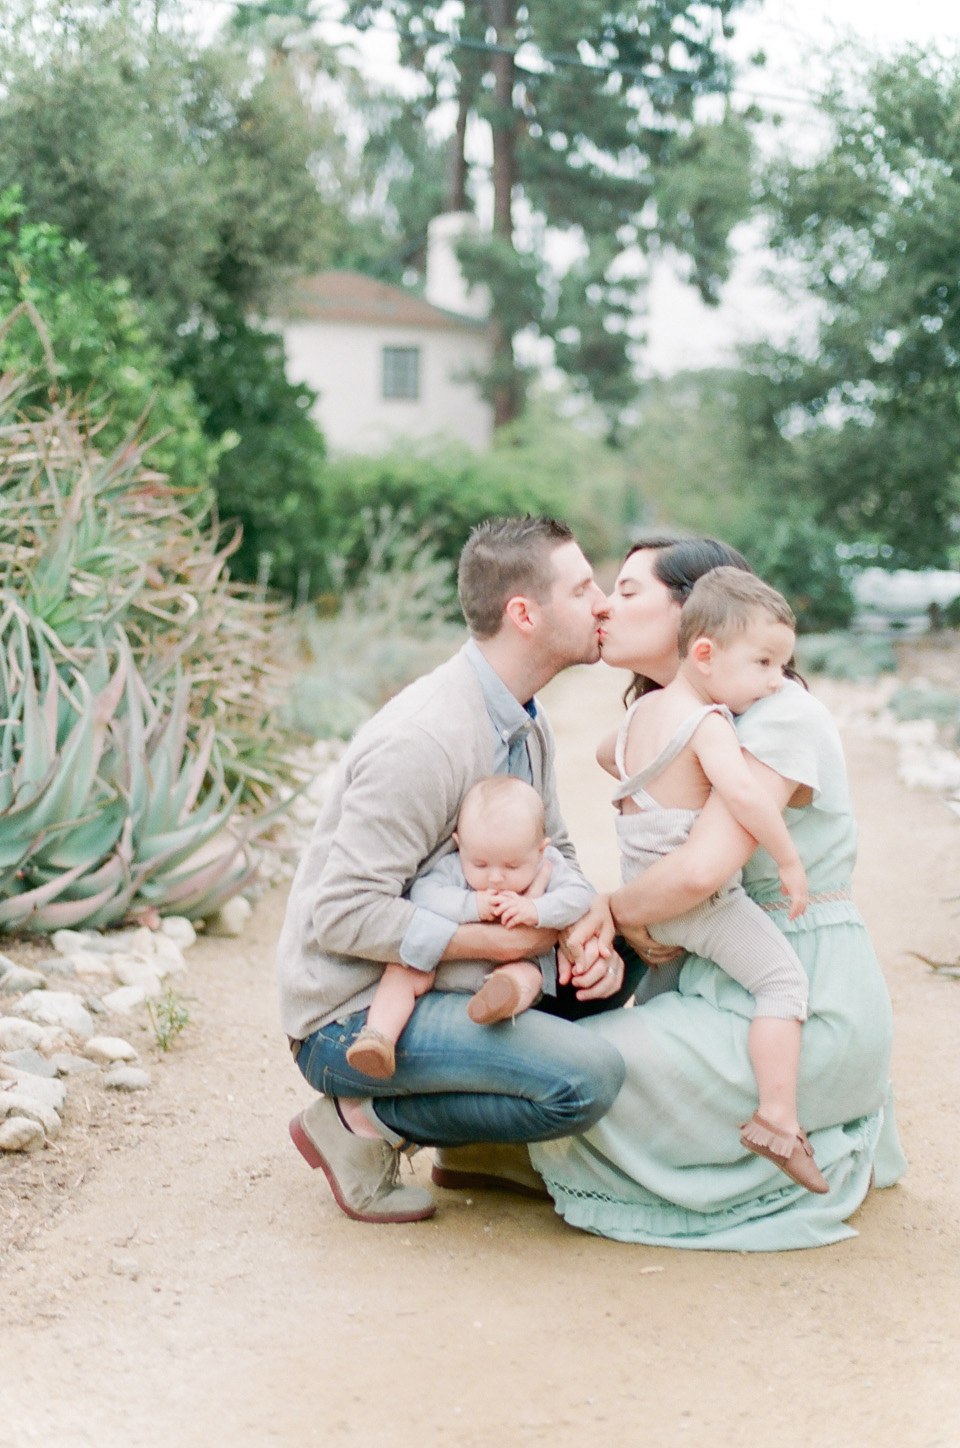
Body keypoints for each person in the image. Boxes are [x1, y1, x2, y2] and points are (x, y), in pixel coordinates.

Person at [531, 537, 907, 1250]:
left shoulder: (779, 714)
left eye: (627, 590)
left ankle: (765, 1126)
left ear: (693, 613)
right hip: (717, 973)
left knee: (578, 1064)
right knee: (566, 1043)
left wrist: (612, 911)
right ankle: (507, 1144)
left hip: (804, 993)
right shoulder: (685, 716)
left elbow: (700, 872)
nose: (604, 606)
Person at [276, 516, 629, 1224]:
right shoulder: (423, 740)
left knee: (630, 955)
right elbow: (341, 915)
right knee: (586, 1080)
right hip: (356, 1016)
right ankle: (356, 1123)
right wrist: (499, 941)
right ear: (524, 614)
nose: (604, 604)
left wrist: (583, 938)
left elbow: (555, 851)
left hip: (463, 978)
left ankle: (476, 1150)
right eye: (583, 588)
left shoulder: (526, 720)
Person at [600, 565, 826, 1193]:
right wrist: (788, 860)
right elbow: (746, 798)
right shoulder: (708, 723)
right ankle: (777, 1119)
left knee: (658, 1006)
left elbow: (605, 757)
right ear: (704, 655)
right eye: (764, 663)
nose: (777, 680)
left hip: (646, 889)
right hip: (697, 901)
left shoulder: (643, 713)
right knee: (782, 984)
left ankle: (648, 1100)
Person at [345, 776, 596, 1078]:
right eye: (480, 865)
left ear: (541, 851)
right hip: (442, 966)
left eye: (512, 866)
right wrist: (471, 904)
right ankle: (378, 1037)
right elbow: (425, 893)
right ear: (459, 845)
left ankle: (498, 1002)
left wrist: (535, 910)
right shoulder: (454, 867)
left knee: (528, 975)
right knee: (401, 971)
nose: (495, 878)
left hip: (512, 965)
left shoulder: (548, 865)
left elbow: (579, 896)